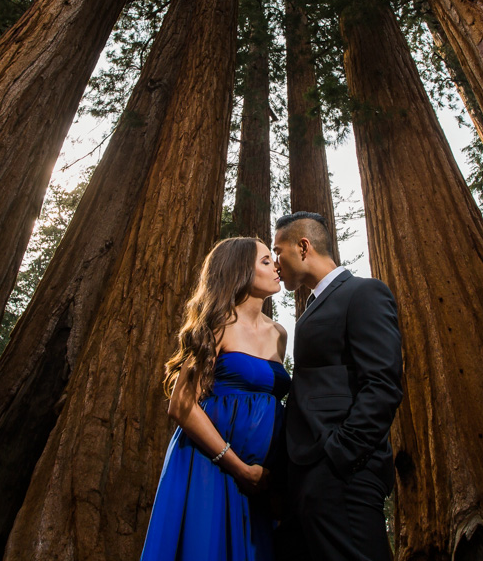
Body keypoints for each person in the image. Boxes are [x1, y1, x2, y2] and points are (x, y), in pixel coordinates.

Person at [139, 237, 290, 561]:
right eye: (265, 261)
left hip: (261, 480)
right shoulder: (217, 324)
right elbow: (181, 404)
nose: (276, 266)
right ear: (239, 271)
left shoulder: (280, 333)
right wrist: (237, 467)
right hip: (209, 466)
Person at [272, 211, 402, 561]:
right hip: (306, 481)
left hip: (342, 476)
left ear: (303, 247)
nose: (274, 263)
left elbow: (382, 385)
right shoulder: (310, 310)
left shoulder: (364, 293)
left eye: (278, 251)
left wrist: (339, 454)